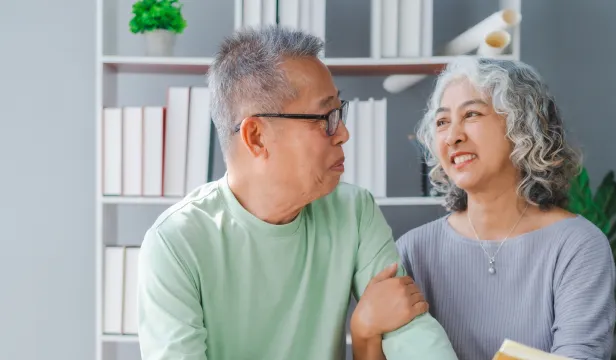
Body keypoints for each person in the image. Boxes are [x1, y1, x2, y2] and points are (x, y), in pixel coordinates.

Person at [136, 25, 459, 360]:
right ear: (257, 137)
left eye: (340, 112)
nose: (343, 133)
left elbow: (410, 331)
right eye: (325, 117)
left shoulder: (354, 210)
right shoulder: (175, 243)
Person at [353, 57, 616, 360]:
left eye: (472, 114)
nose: (453, 136)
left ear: (522, 127)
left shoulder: (577, 246)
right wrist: (364, 331)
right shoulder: (415, 250)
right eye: (442, 122)